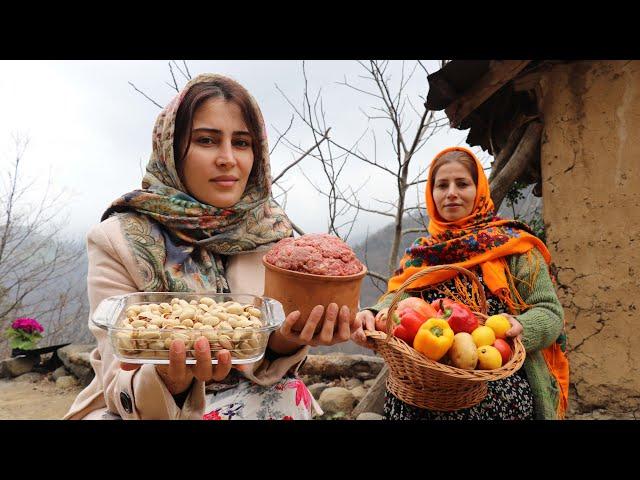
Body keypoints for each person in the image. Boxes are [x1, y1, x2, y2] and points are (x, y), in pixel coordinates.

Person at [64, 74, 353, 420]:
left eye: (242, 143)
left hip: (250, 400)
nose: (228, 158)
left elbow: (265, 358)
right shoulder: (120, 239)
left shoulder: (272, 234)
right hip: (146, 413)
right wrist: (172, 379)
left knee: (287, 397)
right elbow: (117, 377)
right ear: (171, 149)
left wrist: (286, 339)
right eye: (206, 140)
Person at [351, 146, 569, 420]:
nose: (451, 192)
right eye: (442, 185)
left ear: (478, 190)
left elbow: (550, 313)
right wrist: (372, 314)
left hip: (498, 385)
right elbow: (398, 298)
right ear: (431, 194)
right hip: (421, 392)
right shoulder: (422, 255)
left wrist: (522, 326)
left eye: (462, 183)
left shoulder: (514, 247)